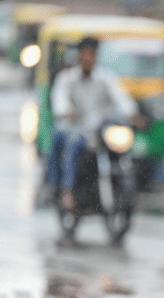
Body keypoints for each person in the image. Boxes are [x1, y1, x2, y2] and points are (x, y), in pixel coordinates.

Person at [47, 36, 140, 210]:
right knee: (74, 143)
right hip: (75, 129)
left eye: (92, 54)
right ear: (79, 55)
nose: (89, 58)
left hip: (99, 131)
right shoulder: (67, 78)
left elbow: (122, 99)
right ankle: (67, 190)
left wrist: (133, 114)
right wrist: (67, 112)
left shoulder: (106, 78)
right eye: (85, 54)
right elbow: (59, 102)